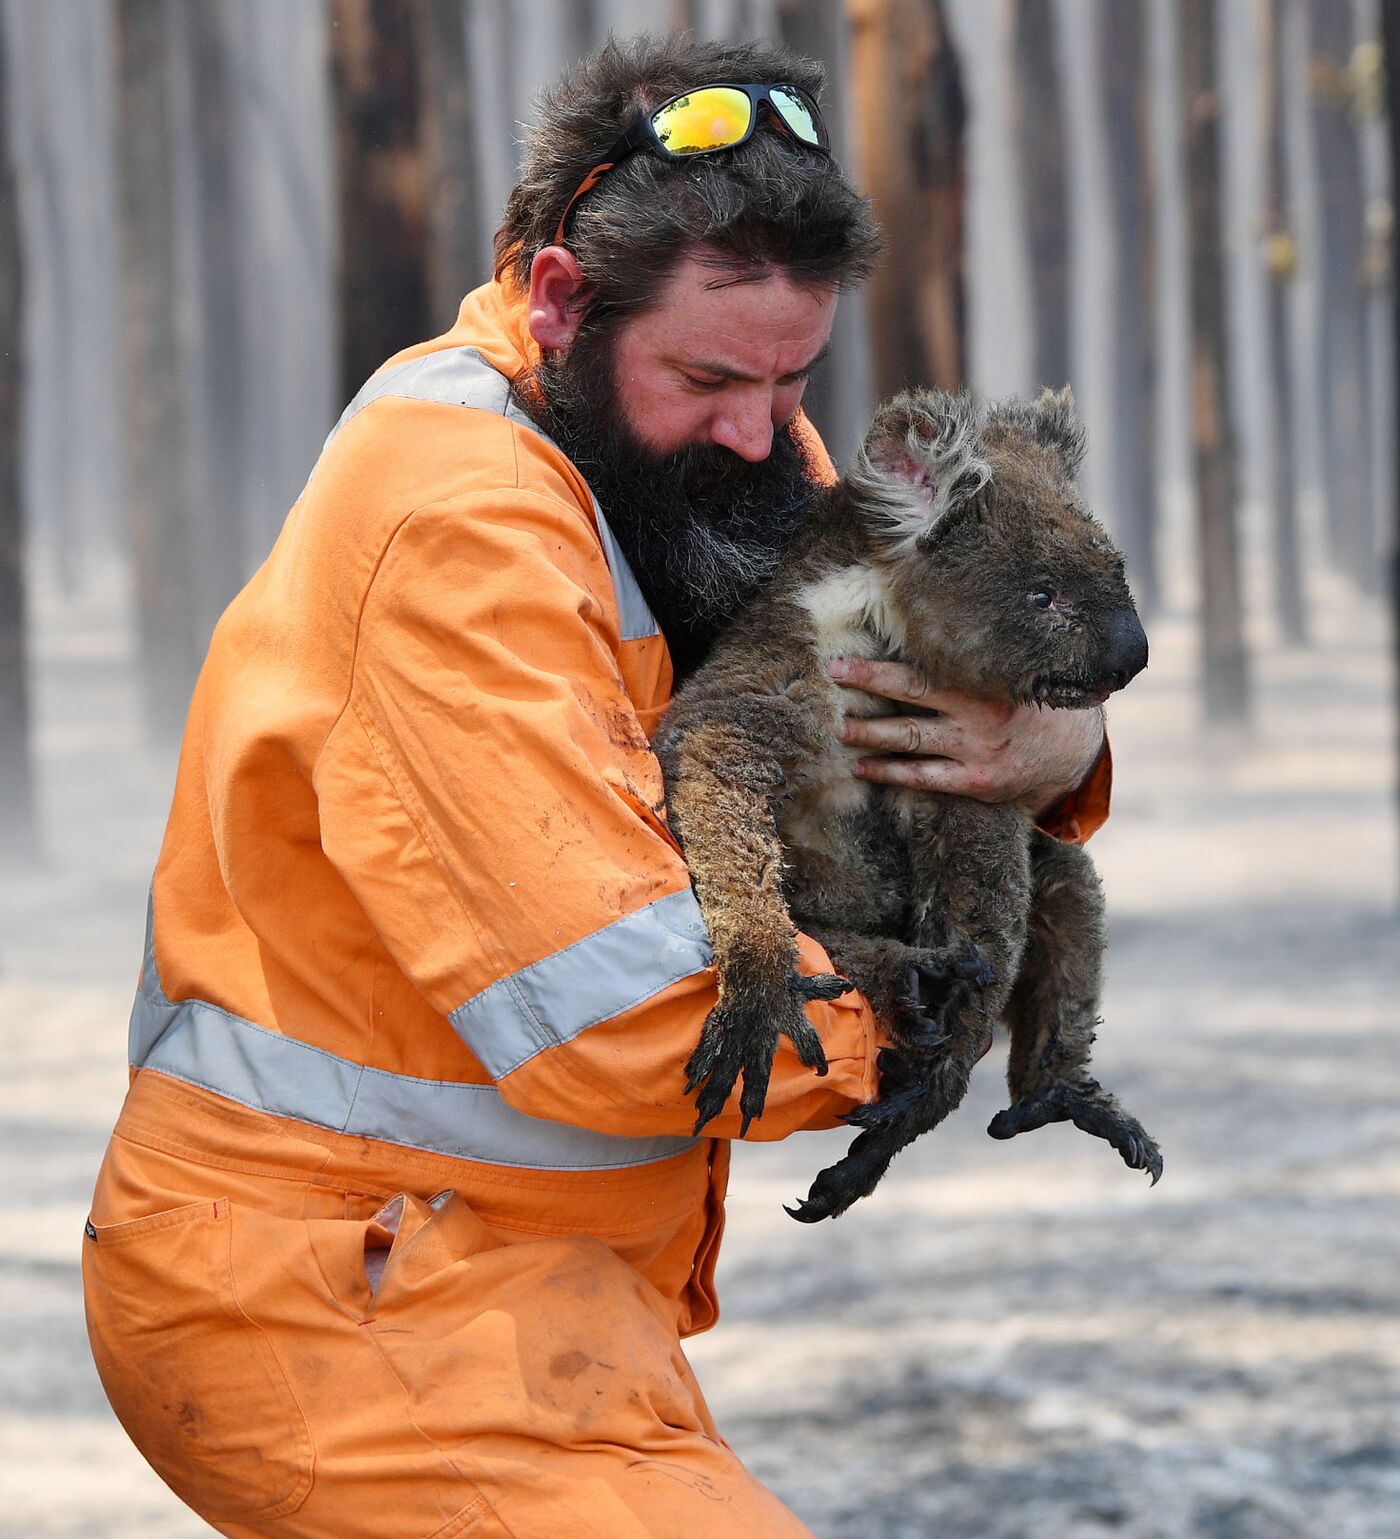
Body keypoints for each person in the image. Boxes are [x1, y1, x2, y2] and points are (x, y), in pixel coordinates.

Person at [83, 34, 1110, 1539]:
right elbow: (621, 1010)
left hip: (520, 1291)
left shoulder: (693, 445)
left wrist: (1061, 755)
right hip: (333, 1300)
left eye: (795, 377)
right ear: (564, 301)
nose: (770, 433)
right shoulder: (460, 525)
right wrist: (924, 1010)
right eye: (712, 377)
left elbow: (915, 684)